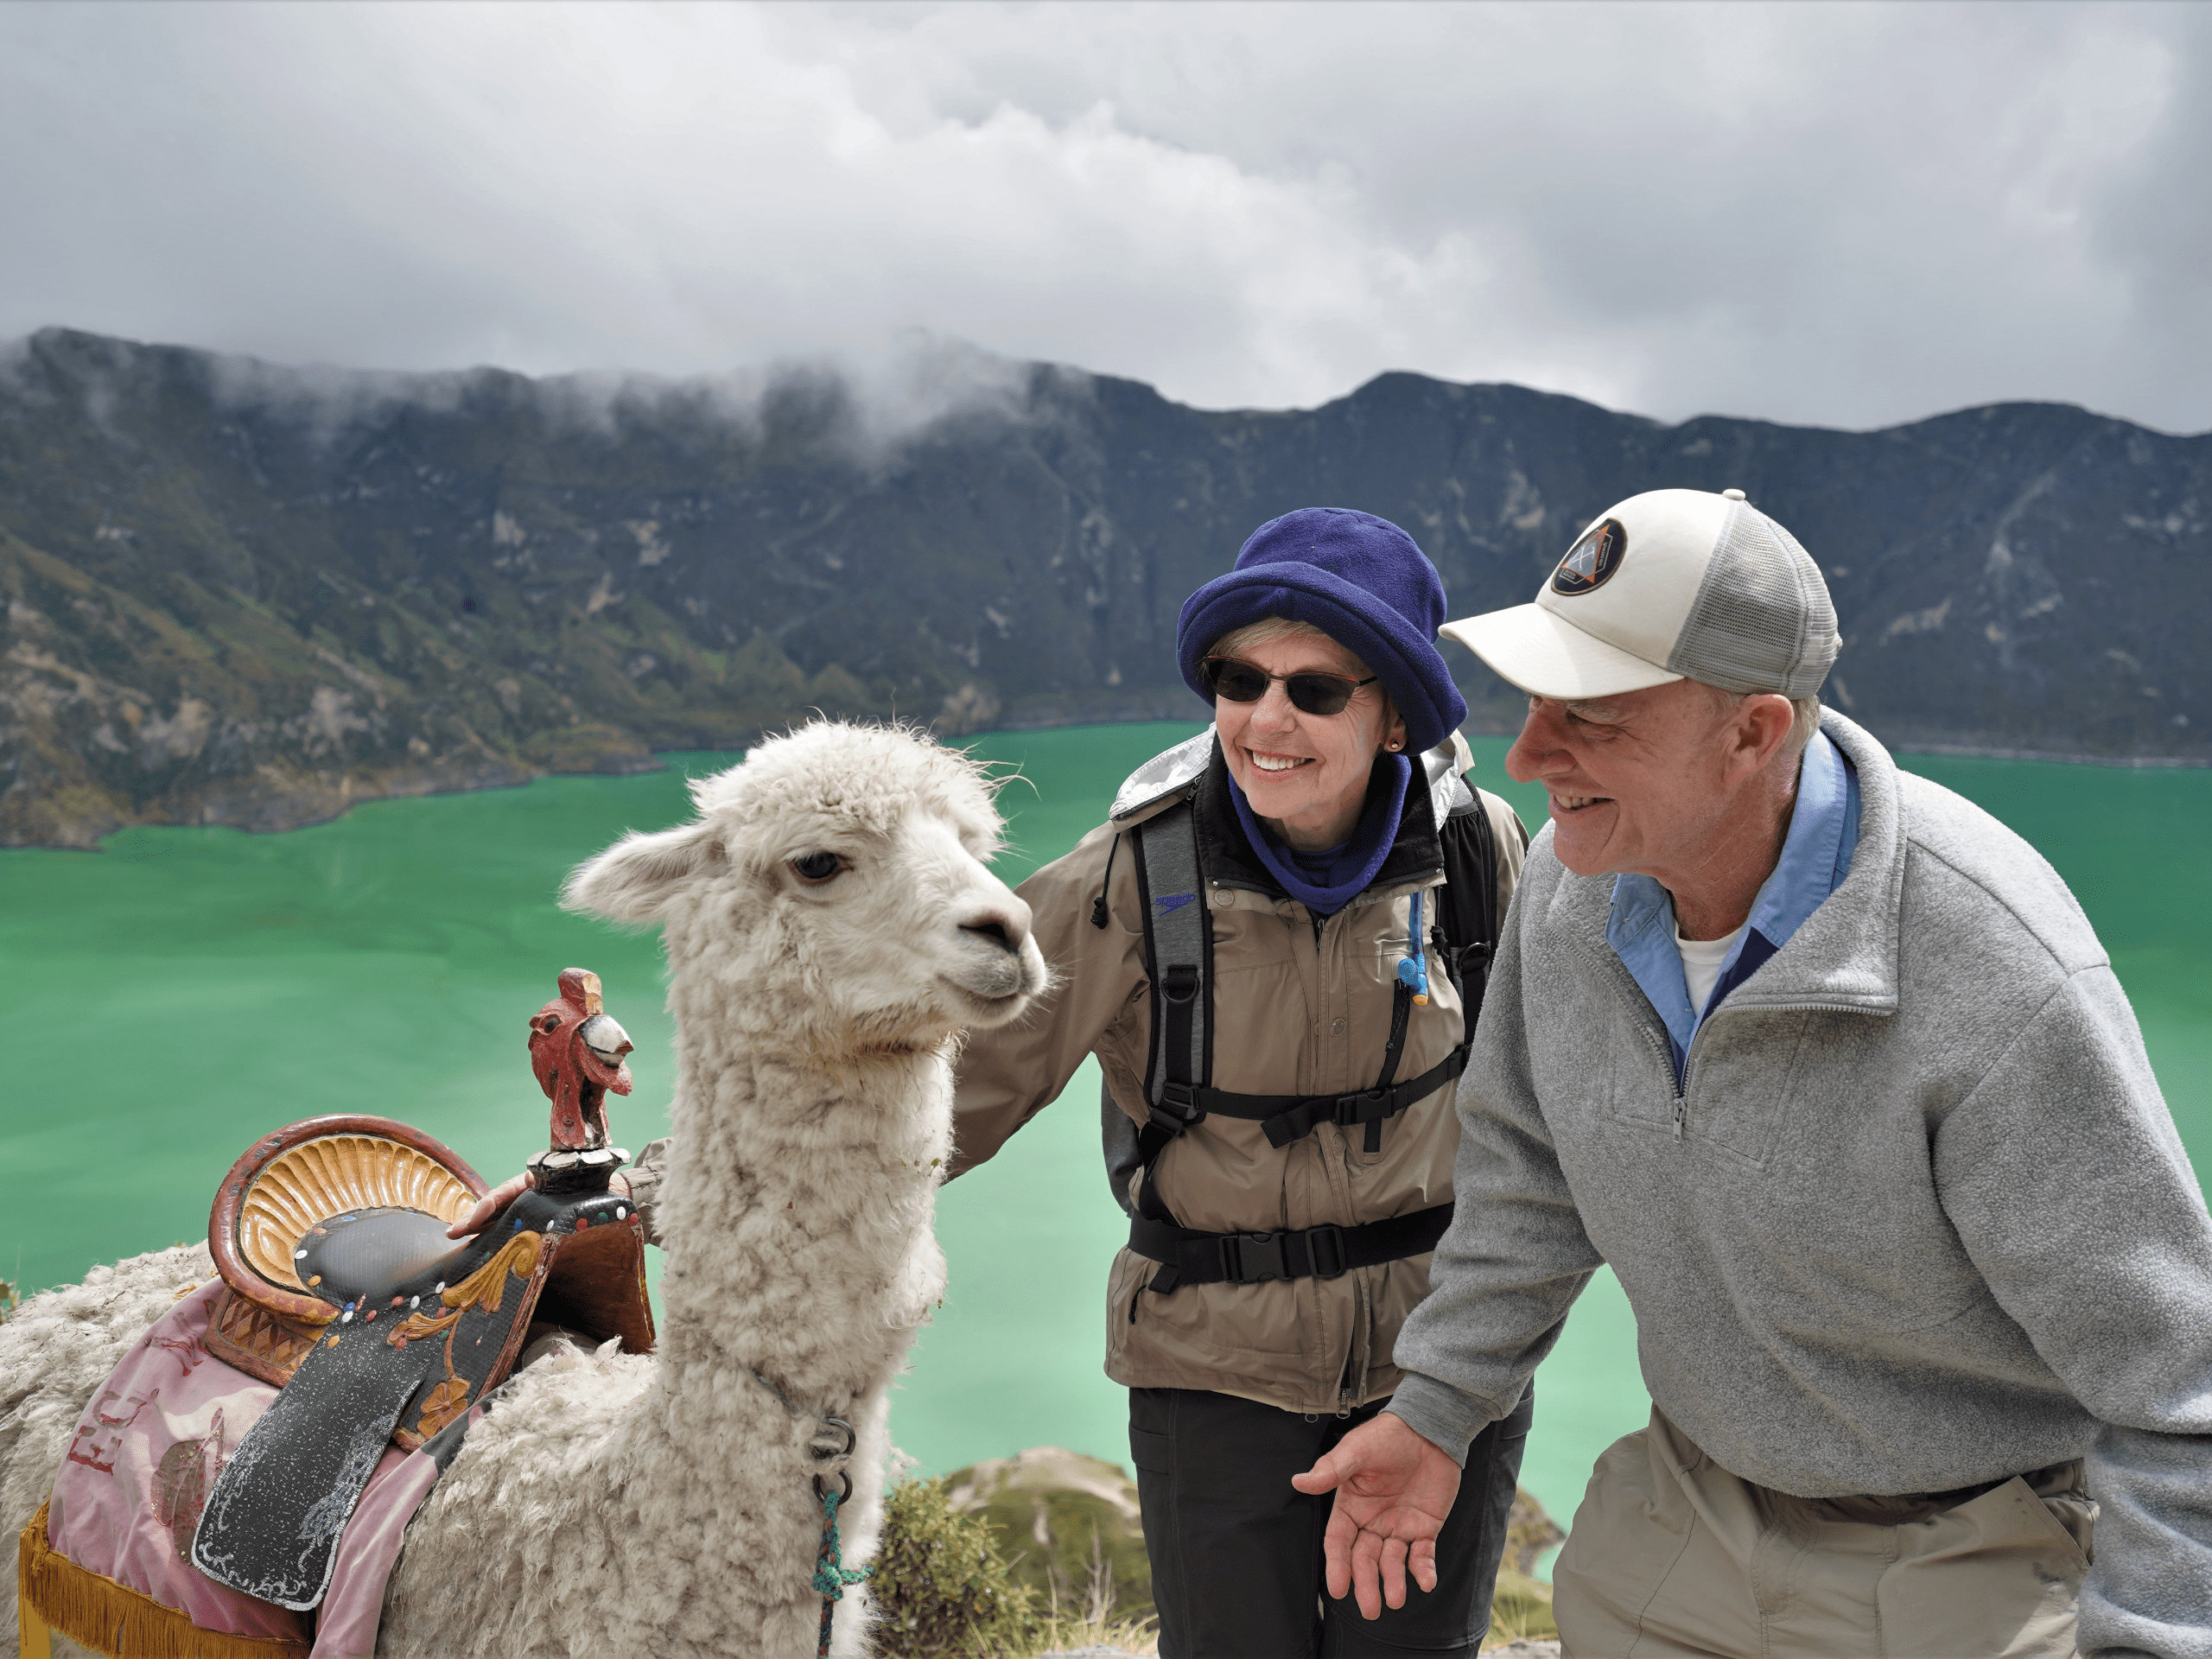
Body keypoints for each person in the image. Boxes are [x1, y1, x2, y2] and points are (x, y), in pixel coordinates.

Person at [454, 506, 1535, 1658]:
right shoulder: (1135, 878)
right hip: (1222, 1379)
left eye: (1315, 690)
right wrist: (703, 1190)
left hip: (1430, 1368)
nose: (1265, 719)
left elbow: (1538, 1121)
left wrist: (1459, 1384)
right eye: (1238, 678)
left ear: (1394, 714)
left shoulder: (1475, 856)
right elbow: (953, 1089)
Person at [1293, 486, 2212, 1659]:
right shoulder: (1574, 894)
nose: (1527, 757)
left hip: (1972, 1550)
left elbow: (2178, 1394)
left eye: (1597, 717)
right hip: (1682, 1515)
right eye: (1534, 702)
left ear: (1755, 733)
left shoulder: (1992, 967)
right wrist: (1435, 1408)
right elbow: (1530, 1176)